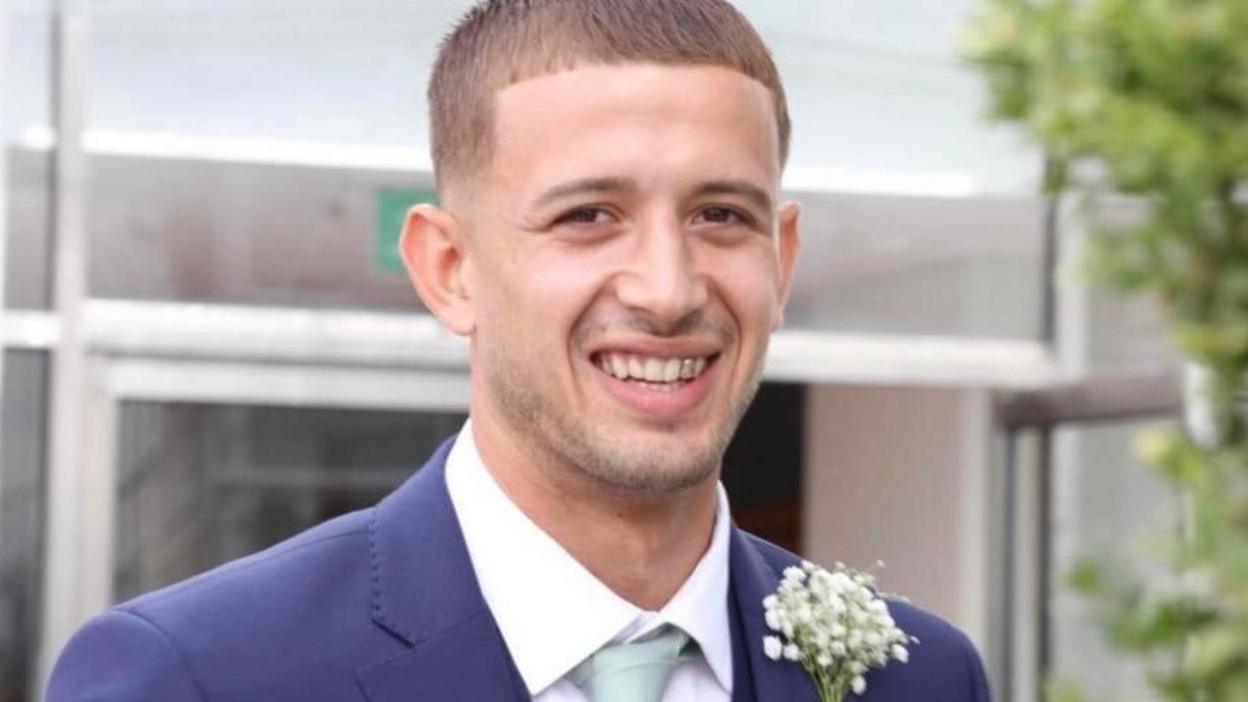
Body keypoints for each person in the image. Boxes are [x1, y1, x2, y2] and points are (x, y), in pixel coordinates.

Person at [46, 1, 991, 700]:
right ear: (450, 267)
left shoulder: (923, 677)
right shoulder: (199, 674)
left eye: (720, 215)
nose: (667, 289)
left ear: (780, 263)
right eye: (589, 216)